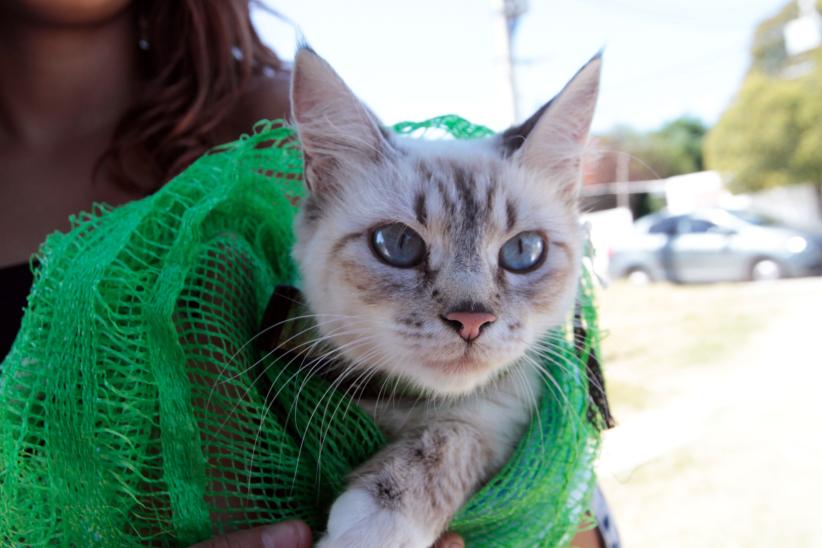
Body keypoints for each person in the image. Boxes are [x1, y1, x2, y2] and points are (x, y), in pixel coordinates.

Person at [0, 2, 612, 546]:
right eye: (401, 245)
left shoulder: (271, 117)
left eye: (523, 253)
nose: (471, 309)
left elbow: (575, 516)